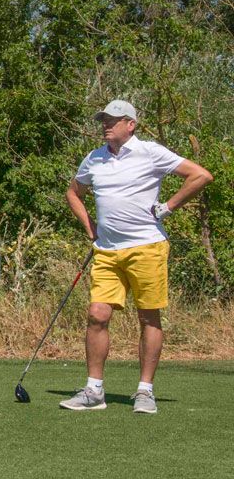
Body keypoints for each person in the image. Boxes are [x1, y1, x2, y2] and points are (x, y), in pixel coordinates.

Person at [60, 100, 213, 414]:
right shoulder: (94, 158)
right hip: (106, 252)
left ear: (131, 124)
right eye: (104, 120)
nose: (106, 125)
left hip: (147, 248)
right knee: (97, 315)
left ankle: (145, 391)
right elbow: (73, 193)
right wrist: (90, 228)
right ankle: (94, 390)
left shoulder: (150, 152)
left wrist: (168, 207)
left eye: (113, 120)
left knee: (149, 317)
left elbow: (200, 176)